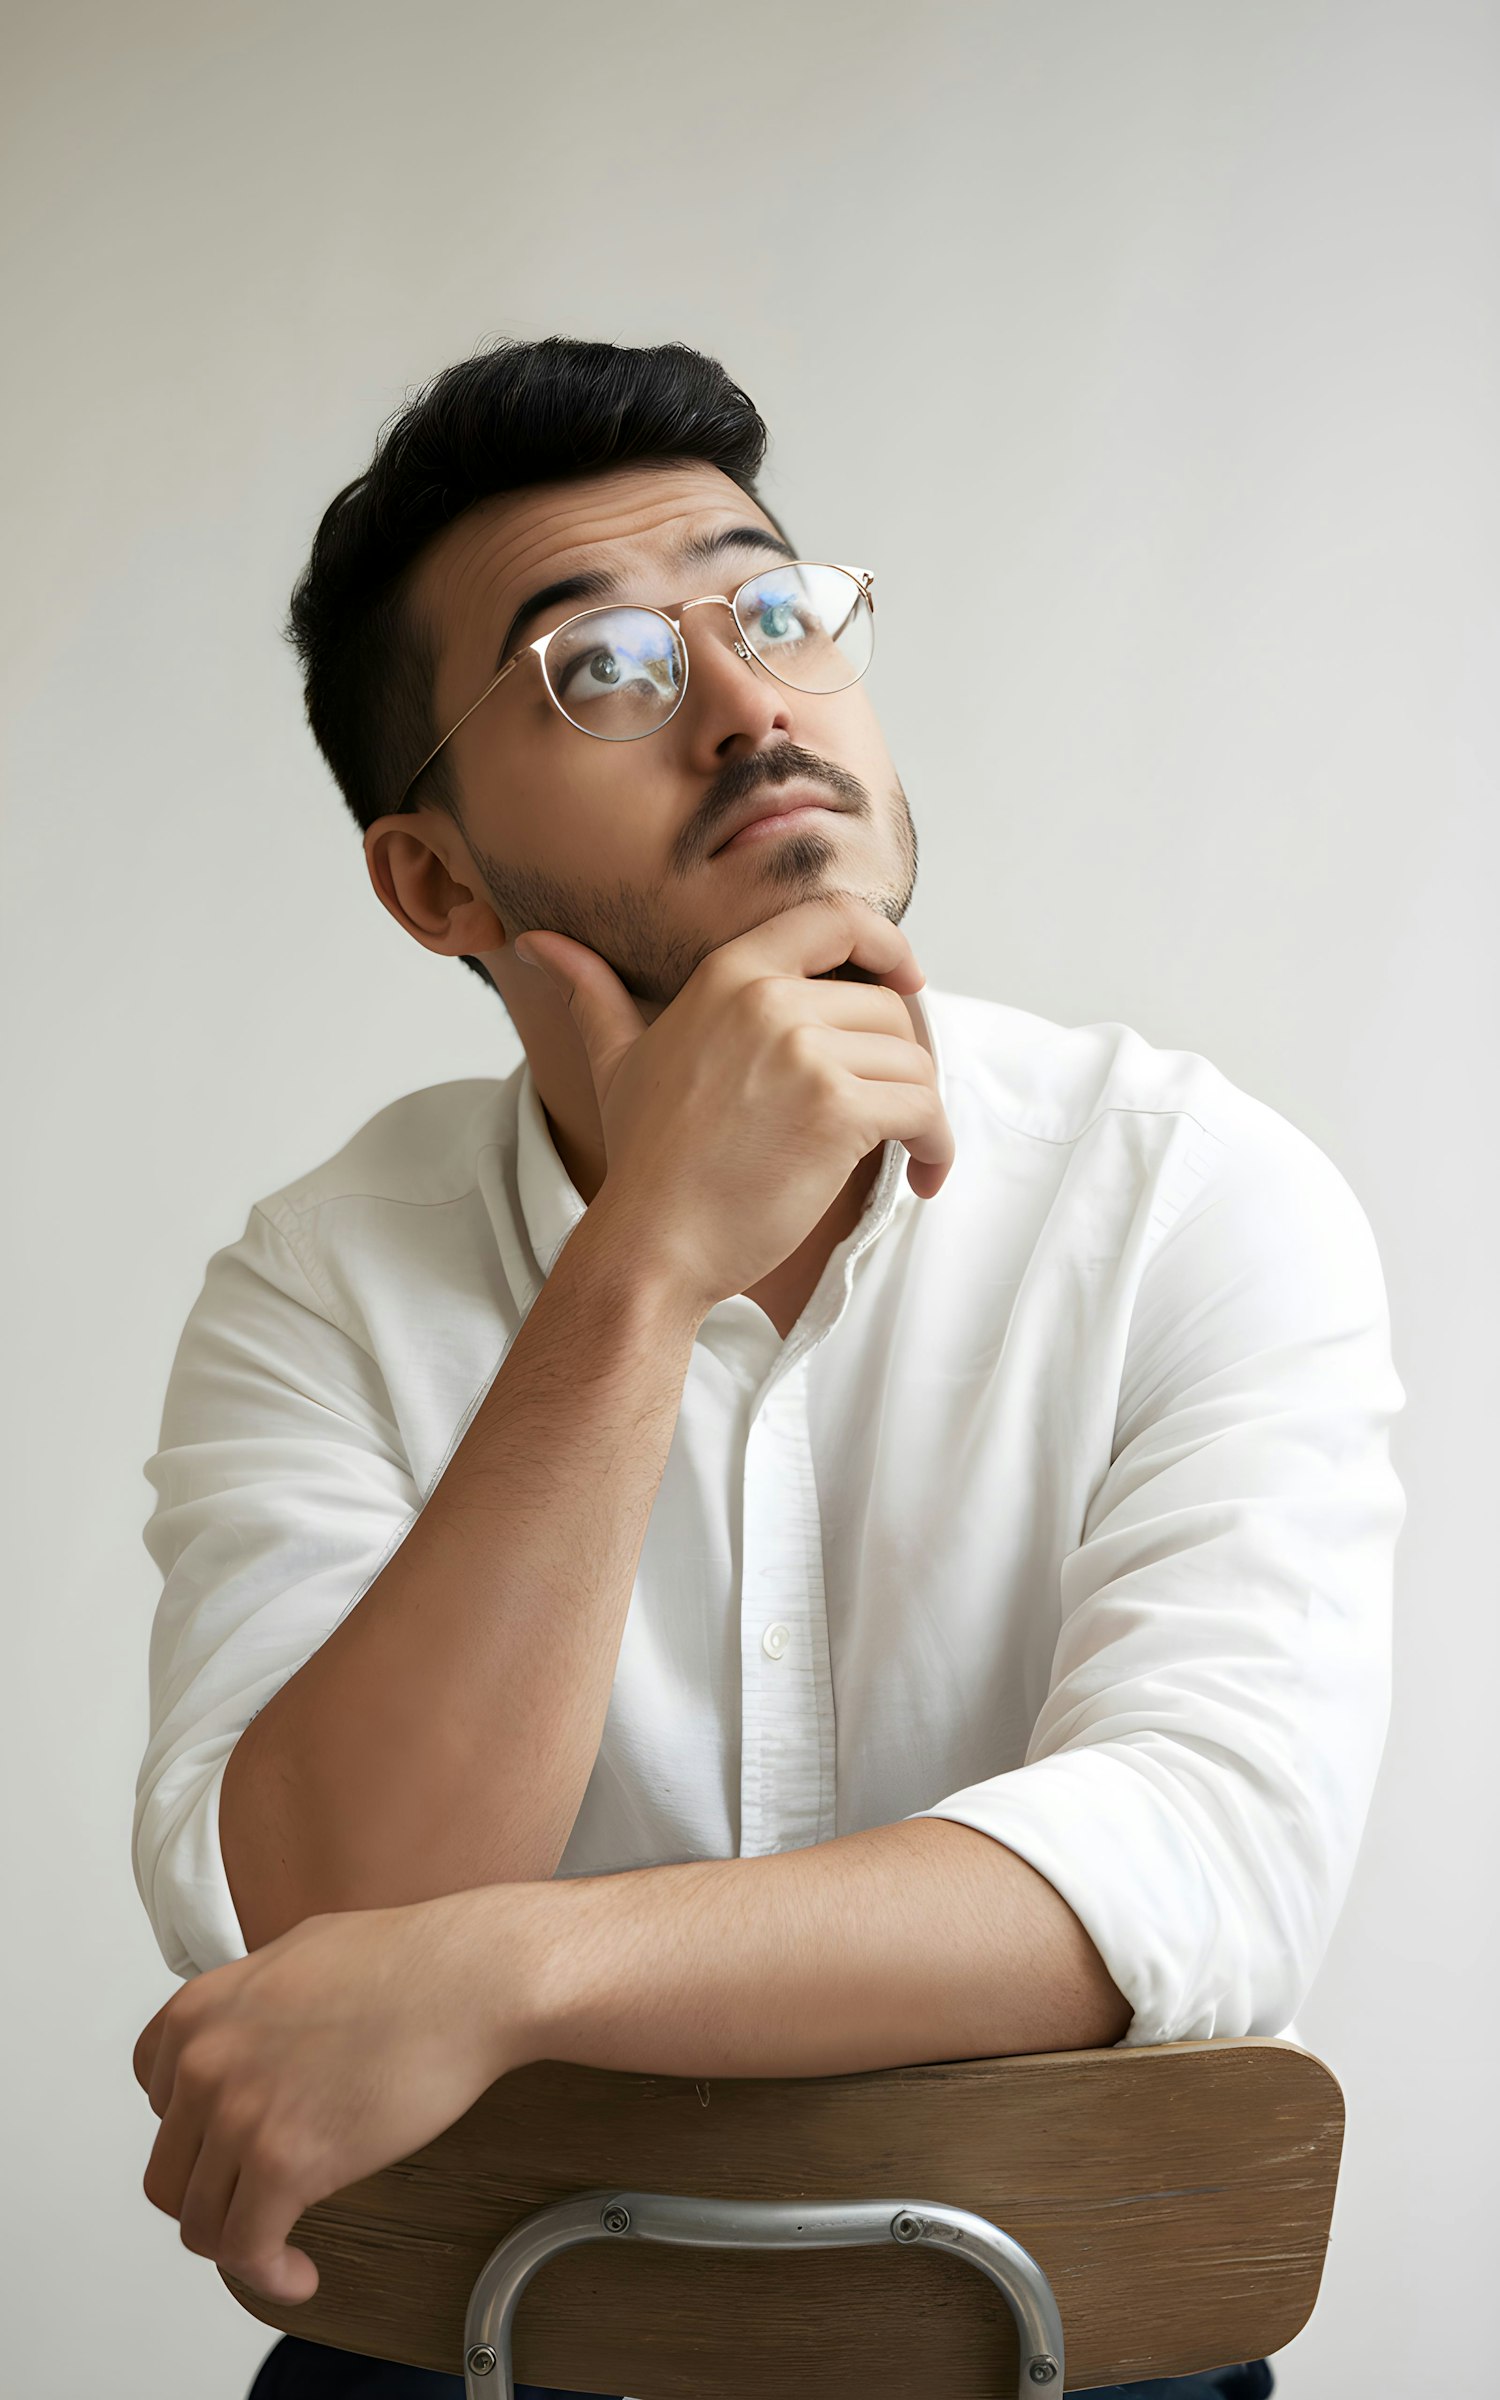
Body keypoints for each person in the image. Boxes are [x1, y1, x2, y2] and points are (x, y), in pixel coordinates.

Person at [129, 336, 1403, 2400]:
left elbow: (1207, 1860)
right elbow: (316, 1923)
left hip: (1086, 2355)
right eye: (600, 669)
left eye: (776, 611)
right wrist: (641, 1267)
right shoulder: (320, 1285)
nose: (746, 704)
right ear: (434, 877)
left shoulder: (1191, 1191)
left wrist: (513, 1971)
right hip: (465, 2362)